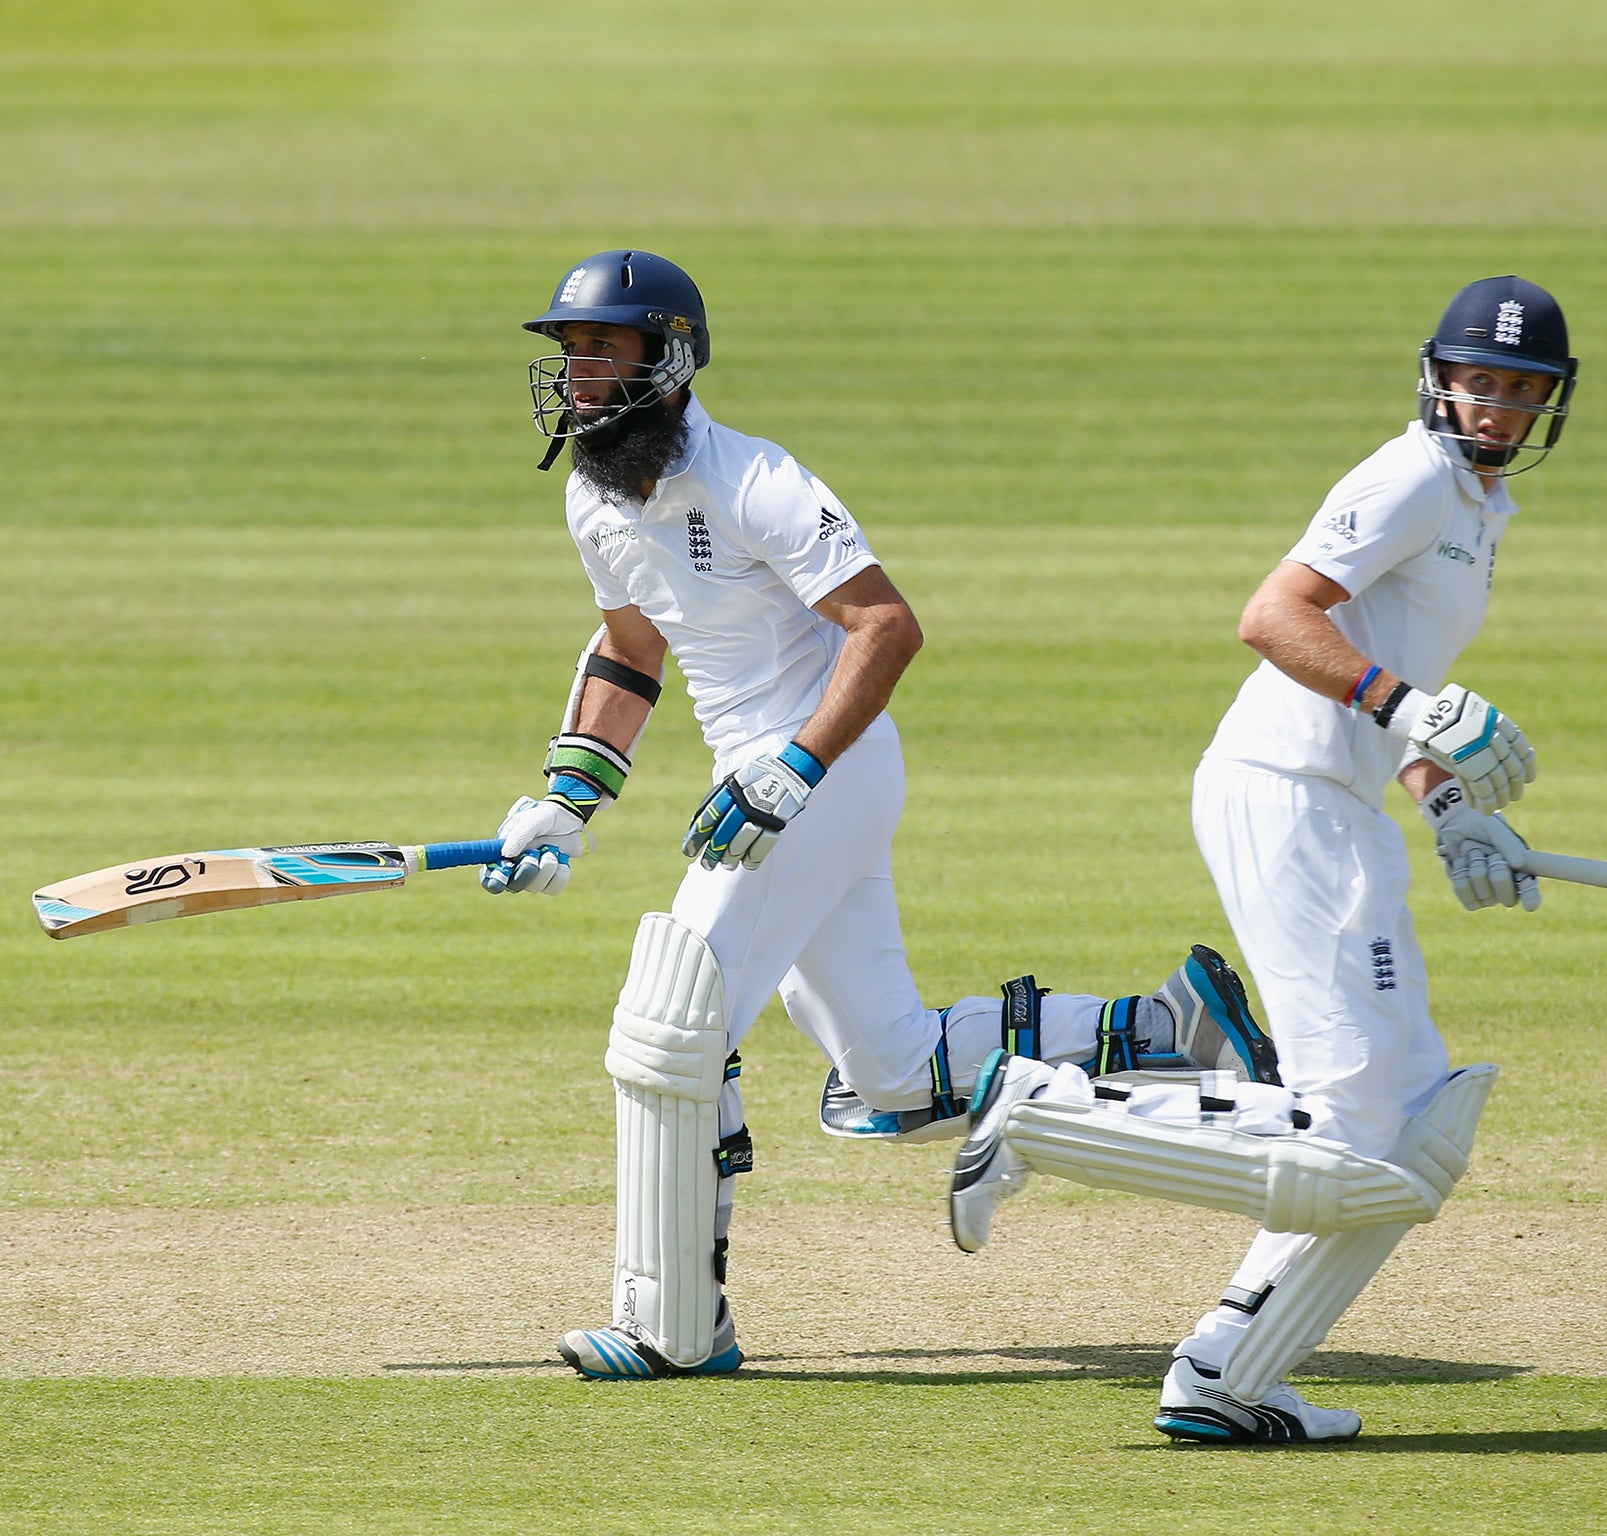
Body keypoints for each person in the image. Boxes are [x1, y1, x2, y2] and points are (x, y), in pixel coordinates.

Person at [487, 249, 1281, 1382]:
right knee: (893, 1073)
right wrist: (566, 803)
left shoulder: (754, 478)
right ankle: (1162, 1027)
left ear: (665, 359)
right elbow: (629, 648)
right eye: (567, 354)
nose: (576, 376)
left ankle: (672, 1323)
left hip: (821, 769)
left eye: (601, 351)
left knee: (675, 1019)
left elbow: (885, 626)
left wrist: (793, 768)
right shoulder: (593, 494)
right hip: (761, 778)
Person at [945, 276, 1577, 1443]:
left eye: (1517, 389)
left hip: (1335, 804)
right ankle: (1041, 1107)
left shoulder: (1479, 507)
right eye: (1475, 380)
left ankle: (1228, 1372)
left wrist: (1446, 807)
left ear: (1546, 403)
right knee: (1358, 1126)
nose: (1491, 405)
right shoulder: (1406, 479)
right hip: (1287, 798)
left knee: (1406, 1126)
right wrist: (1411, 707)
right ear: (1436, 377)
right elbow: (1275, 616)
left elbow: (1384, 679)